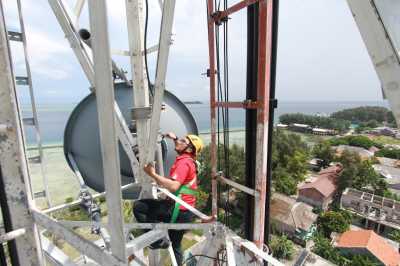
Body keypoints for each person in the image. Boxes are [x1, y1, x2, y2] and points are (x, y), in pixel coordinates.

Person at [133, 132, 204, 265]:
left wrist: (152, 174)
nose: (179, 141)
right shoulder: (190, 161)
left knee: (139, 207)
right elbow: (179, 185)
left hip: (176, 211)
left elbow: (173, 186)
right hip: (186, 213)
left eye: (183, 141)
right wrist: (175, 139)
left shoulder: (184, 163)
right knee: (176, 245)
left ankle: (156, 241)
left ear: (189, 149)